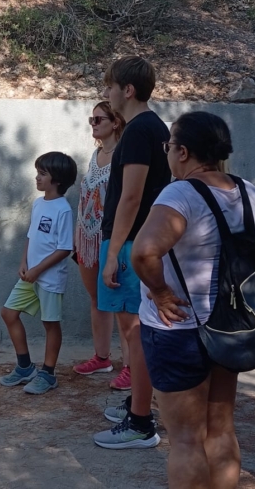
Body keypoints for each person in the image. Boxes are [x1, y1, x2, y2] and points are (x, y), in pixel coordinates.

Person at [131, 111, 255, 488]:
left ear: (183, 152)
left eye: (168, 146)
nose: (167, 153)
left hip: (179, 329)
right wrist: (241, 274)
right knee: (220, 431)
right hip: (228, 326)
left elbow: (143, 253)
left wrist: (160, 293)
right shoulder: (247, 192)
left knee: (185, 439)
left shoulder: (179, 193)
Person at [91, 56, 172, 450]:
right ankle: (138, 403)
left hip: (130, 242)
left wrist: (114, 252)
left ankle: (142, 421)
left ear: (128, 90)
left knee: (135, 333)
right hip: (136, 240)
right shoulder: (150, 128)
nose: (105, 93)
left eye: (110, 86)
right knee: (135, 332)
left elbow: (132, 195)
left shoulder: (140, 130)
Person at [0, 152, 78, 395]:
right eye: (38, 172)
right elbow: (31, 236)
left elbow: (65, 248)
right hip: (30, 276)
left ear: (58, 180)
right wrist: (24, 263)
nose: (37, 177)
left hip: (49, 279)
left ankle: (48, 374)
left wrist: (38, 270)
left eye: (43, 174)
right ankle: (25, 367)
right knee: (9, 313)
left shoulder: (63, 209)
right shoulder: (38, 203)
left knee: (50, 323)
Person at [72, 102, 132, 389]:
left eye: (98, 119)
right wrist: (77, 234)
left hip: (111, 238)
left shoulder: (124, 155)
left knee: (120, 304)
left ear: (115, 122)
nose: (93, 124)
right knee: (97, 300)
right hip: (86, 237)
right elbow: (86, 199)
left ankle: (131, 367)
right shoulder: (95, 155)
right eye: (91, 119)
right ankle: (102, 357)